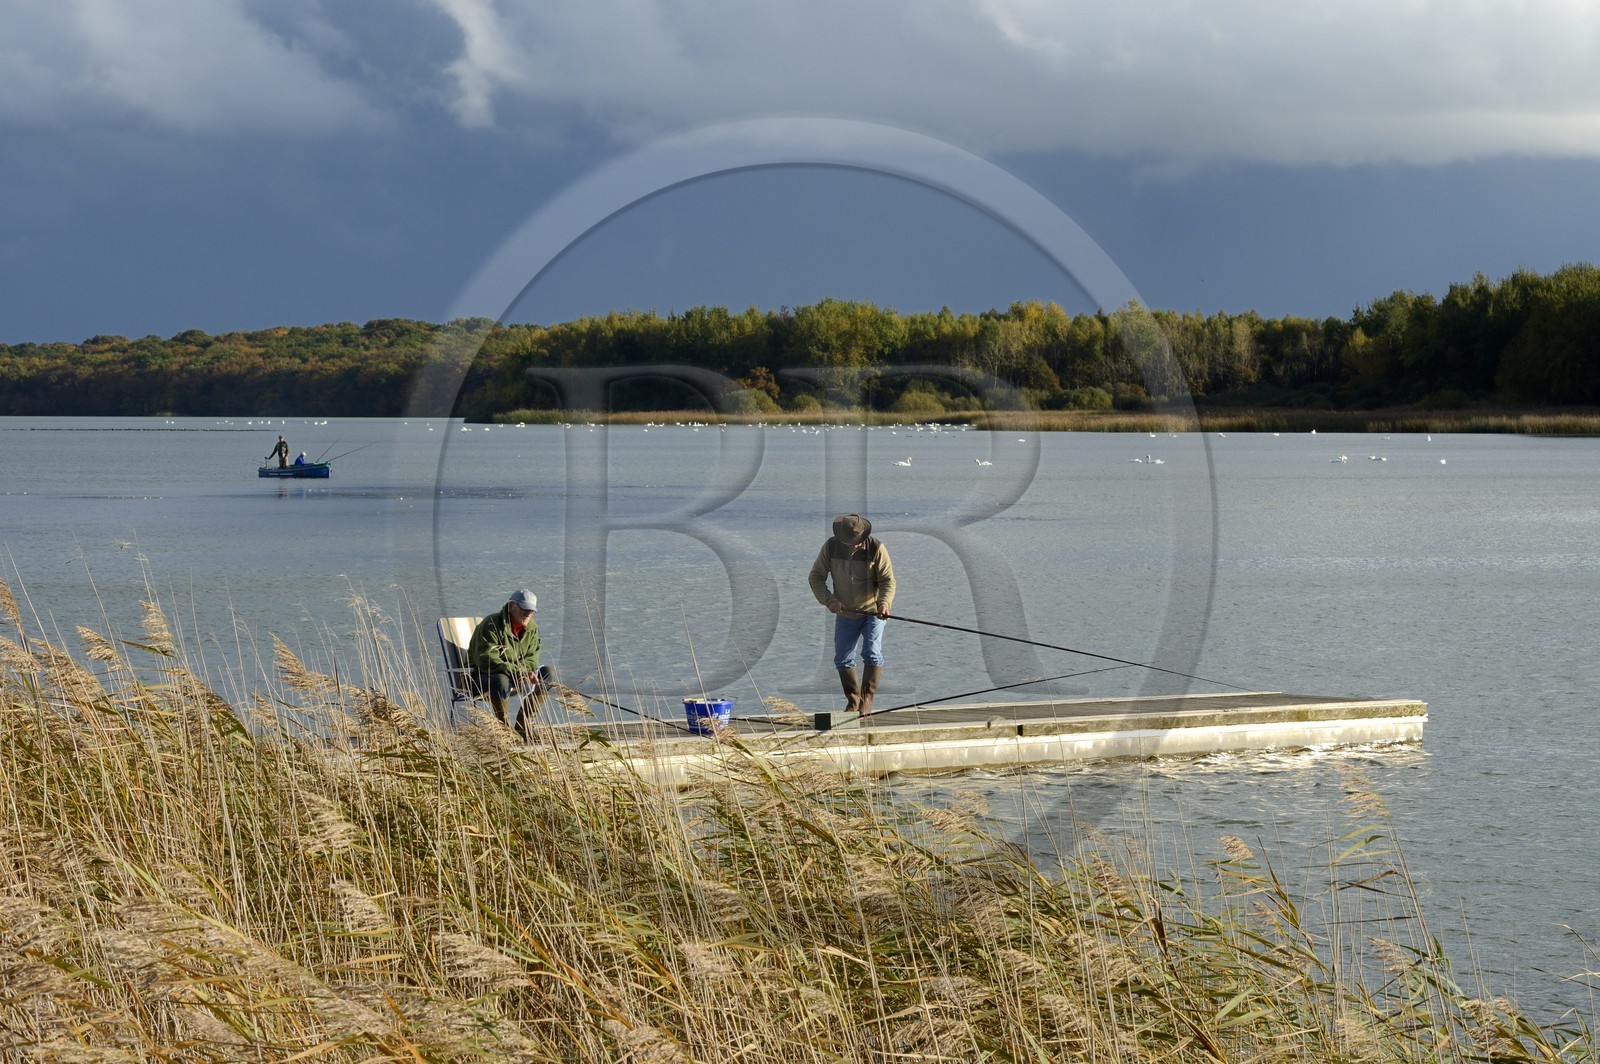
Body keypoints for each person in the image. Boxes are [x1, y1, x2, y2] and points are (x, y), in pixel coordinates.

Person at [808, 514, 895, 716]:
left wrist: (884, 603)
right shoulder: (831, 547)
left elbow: (888, 581)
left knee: (872, 652)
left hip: (873, 611)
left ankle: (866, 701)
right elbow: (816, 577)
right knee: (843, 658)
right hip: (845, 613)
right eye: (848, 542)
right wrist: (829, 600)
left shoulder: (876, 548)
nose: (853, 545)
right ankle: (853, 701)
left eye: (856, 541)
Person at [467, 588, 552, 738]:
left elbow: (532, 658)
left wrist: (525, 672)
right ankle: (505, 732)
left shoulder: (532, 628)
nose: (528, 614)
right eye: (524, 608)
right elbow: (487, 660)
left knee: (548, 673)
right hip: (480, 678)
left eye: (531, 610)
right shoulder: (491, 624)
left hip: (515, 676)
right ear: (511, 605)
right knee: (501, 679)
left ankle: (522, 726)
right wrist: (519, 672)